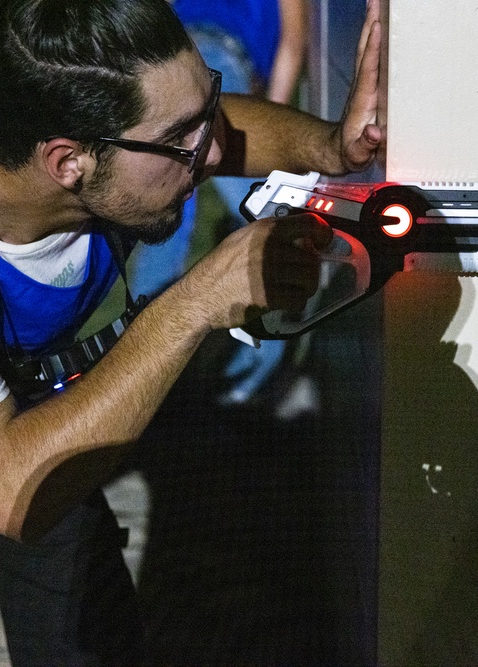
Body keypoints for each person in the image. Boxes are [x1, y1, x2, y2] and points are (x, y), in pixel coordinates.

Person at [0, 0, 381, 663]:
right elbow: (9, 491)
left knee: (89, 613)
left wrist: (331, 147)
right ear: (68, 164)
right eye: (183, 140)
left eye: (208, 108)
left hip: (6, 424)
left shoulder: (63, 125)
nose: (210, 153)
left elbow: (216, 127)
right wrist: (195, 299)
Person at [128, 0, 310, 407]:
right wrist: (274, 127)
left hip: (174, 59)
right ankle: (248, 381)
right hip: (220, 64)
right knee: (272, 222)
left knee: (164, 220)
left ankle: (142, 371)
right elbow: (292, 46)